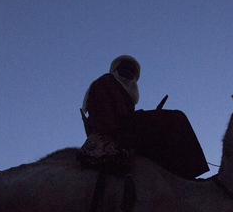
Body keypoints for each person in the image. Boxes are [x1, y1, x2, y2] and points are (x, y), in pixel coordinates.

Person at [80, 55, 209, 180]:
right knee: (176, 118)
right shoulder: (106, 81)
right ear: (116, 68)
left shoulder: (127, 93)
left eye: (133, 70)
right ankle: (191, 171)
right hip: (117, 128)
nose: (129, 72)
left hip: (125, 127)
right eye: (126, 67)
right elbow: (109, 117)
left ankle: (178, 174)